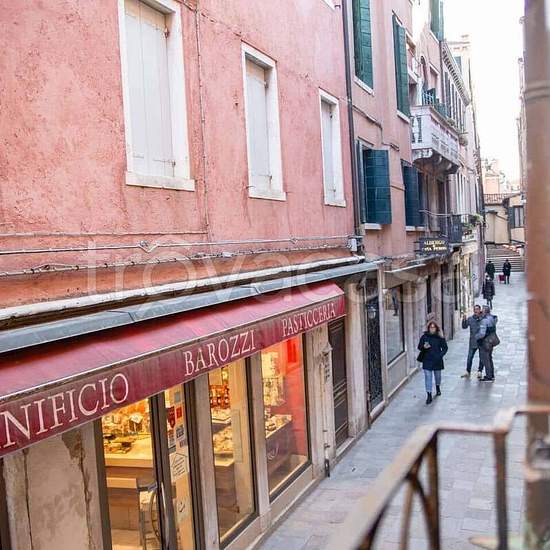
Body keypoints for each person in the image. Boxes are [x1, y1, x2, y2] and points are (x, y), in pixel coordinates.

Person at [417, 321, 448, 405]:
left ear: (436, 328)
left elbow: (445, 348)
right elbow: (419, 347)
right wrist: (424, 347)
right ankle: (429, 395)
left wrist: (440, 355)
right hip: (427, 360)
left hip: (437, 360)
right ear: (428, 328)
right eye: (431, 327)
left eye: (434, 327)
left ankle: (437, 387)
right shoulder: (424, 337)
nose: (432, 329)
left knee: (438, 376)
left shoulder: (440, 337)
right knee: (428, 377)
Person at [460, 305, 484, 379]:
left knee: (482, 357)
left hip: (481, 341)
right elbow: (464, 327)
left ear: (480, 310)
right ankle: (468, 371)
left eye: (477, 309)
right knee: (470, 357)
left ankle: (480, 371)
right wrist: (464, 320)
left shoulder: (483, 319)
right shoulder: (470, 319)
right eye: (475, 309)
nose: (476, 311)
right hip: (473, 341)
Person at [476, 305, 498, 382]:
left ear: (485, 311)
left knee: (486, 359)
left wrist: (476, 337)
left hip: (485, 342)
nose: (481, 311)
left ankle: (488, 376)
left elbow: (482, 334)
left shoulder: (484, 320)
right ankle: (492, 375)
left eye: (482, 310)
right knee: (490, 358)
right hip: (491, 341)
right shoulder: (492, 318)